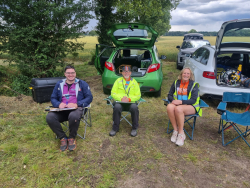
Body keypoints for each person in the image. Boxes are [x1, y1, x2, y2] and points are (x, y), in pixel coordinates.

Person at [46, 65, 93, 151]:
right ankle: (63, 138)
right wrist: (58, 104)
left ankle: (71, 138)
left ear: (75, 73)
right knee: (50, 117)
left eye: (72, 73)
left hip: (77, 109)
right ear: (65, 74)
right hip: (62, 110)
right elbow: (53, 98)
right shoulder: (59, 84)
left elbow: (89, 97)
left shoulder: (82, 84)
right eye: (68, 73)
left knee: (73, 116)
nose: (70, 75)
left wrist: (77, 104)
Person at [167, 67, 201, 146]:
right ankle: (175, 130)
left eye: (188, 73)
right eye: (184, 73)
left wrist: (181, 102)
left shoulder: (194, 85)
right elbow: (169, 95)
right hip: (178, 105)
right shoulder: (176, 82)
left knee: (178, 109)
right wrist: (173, 101)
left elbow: (193, 100)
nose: (186, 75)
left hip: (191, 106)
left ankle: (181, 134)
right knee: (169, 107)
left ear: (190, 75)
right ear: (181, 74)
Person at [109, 66, 141, 137]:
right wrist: (121, 99)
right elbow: (113, 93)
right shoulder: (118, 81)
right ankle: (115, 128)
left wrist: (129, 99)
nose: (126, 73)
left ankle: (134, 128)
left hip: (131, 103)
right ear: (122, 73)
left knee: (134, 108)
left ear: (130, 73)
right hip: (120, 102)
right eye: (124, 71)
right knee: (117, 107)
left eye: (128, 71)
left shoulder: (134, 82)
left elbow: (138, 95)